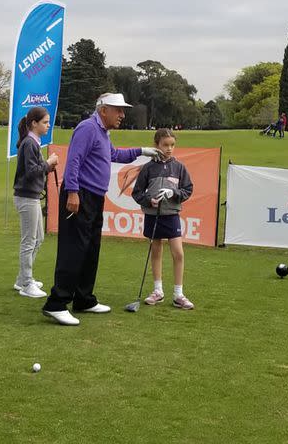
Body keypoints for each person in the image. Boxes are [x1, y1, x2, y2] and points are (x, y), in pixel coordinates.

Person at [41, 93, 162, 326]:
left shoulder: (103, 133)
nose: (122, 115)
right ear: (103, 110)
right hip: (80, 194)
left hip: (95, 196)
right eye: (118, 110)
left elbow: (113, 155)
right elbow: (74, 160)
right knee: (74, 249)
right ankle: (57, 303)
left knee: (90, 248)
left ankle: (84, 299)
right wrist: (74, 192)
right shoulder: (87, 128)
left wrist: (142, 151)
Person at [131, 128, 195, 310]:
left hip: (171, 215)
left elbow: (187, 190)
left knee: (178, 253)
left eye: (172, 145)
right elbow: (136, 193)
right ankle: (157, 291)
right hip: (153, 215)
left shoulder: (179, 167)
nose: (169, 148)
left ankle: (178, 294)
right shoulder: (148, 168)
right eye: (165, 145)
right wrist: (148, 201)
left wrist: (173, 192)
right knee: (156, 251)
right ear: (156, 145)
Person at [12, 107, 59, 298]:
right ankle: (26, 283)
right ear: (34, 123)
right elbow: (32, 171)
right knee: (29, 241)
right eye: (45, 122)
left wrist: (47, 165)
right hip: (26, 196)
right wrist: (49, 164)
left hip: (31, 196)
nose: (48, 125)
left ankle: (22, 279)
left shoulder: (33, 142)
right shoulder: (30, 143)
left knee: (38, 238)